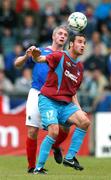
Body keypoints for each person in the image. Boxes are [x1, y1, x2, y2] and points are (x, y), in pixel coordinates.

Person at [31, 32, 91, 174]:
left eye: (84, 43)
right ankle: (38, 168)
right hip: (48, 100)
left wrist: (79, 110)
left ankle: (70, 157)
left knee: (84, 122)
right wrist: (34, 54)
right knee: (54, 131)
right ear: (71, 44)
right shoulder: (60, 56)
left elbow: (73, 92)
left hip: (65, 104)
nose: (82, 45)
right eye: (79, 42)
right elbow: (40, 58)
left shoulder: (80, 68)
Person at [14, 25, 69, 173]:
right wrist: (27, 55)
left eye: (65, 34)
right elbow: (17, 64)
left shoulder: (67, 57)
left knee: (65, 127)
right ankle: (32, 168)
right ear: (53, 36)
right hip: (37, 93)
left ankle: (55, 145)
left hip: (56, 96)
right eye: (60, 33)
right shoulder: (40, 51)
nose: (62, 36)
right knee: (32, 131)